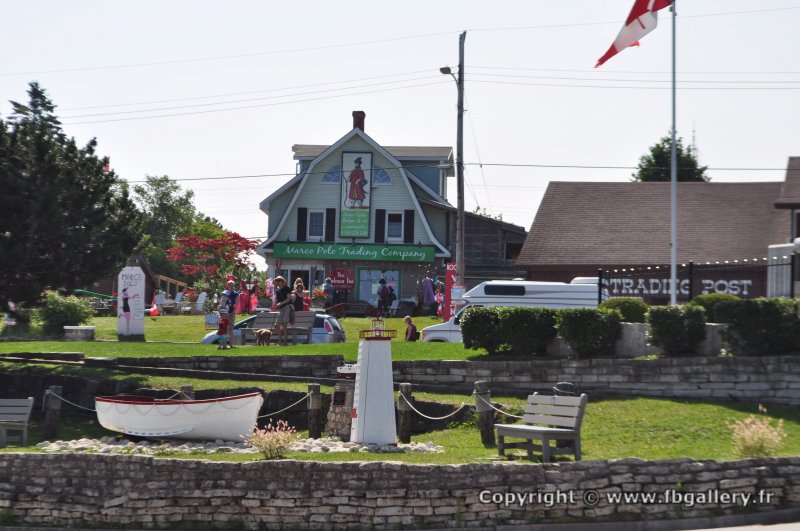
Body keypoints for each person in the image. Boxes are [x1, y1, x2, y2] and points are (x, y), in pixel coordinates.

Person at [273, 277, 293, 346]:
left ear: (283, 281)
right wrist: (277, 305)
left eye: (279, 280)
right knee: (277, 325)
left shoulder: (287, 288)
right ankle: (280, 342)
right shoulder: (277, 290)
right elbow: (278, 301)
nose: (278, 282)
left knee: (284, 325)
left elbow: (288, 299)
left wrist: (280, 304)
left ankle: (285, 342)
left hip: (287, 307)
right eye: (277, 281)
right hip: (281, 309)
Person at [219, 280, 239, 345]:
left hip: (231, 312)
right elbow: (222, 303)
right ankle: (223, 344)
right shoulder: (224, 293)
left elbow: (237, 303)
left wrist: (233, 311)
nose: (232, 287)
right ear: (228, 286)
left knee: (230, 328)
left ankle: (231, 344)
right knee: (224, 328)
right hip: (224, 313)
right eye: (230, 285)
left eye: (233, 285)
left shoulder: (236, 294)